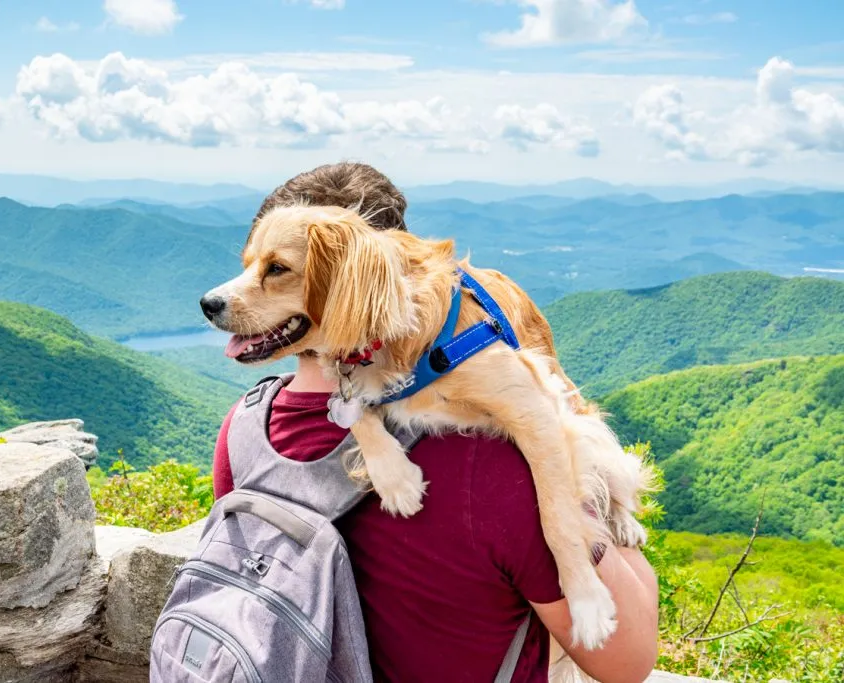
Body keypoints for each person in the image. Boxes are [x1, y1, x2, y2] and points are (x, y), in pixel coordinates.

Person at [212, 162, 659, 683]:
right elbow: (626, 663)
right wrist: (599, 512)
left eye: (275, 269)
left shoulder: (243, 432)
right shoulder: (493, 470)